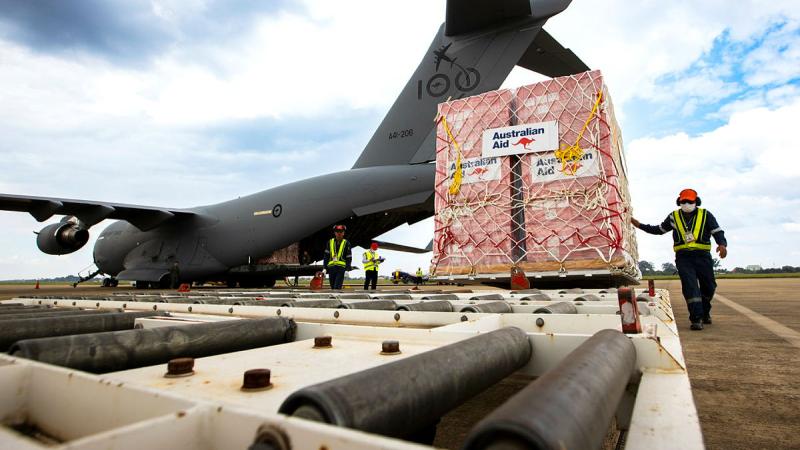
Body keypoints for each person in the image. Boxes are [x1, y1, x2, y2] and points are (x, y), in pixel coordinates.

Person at [632, 188, 727, 330]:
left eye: (690, 201)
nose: (687, 203)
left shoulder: (706, 215)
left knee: (709, 287)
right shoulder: (674, 217)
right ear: (679, 202)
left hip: (703, 257)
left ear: (696, 202)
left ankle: (704, 312)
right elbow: (659, 230)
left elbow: (717, 231)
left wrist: (722, 244)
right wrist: (639, 225)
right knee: (690, 287)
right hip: (684, 258)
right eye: (684, 201)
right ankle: (696, 319)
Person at [323, 224, 352, 290]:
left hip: (341, 269)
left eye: (341, 232)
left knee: (337, 287)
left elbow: (349, 257)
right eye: (337, 231)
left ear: (343, 233)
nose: (339, 233)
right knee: (332, 287)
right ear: (334, 233)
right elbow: (326, 256)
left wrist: (347, 269)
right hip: (331, 268)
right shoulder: (330, 242)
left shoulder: (347, 243)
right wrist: (324, 268)